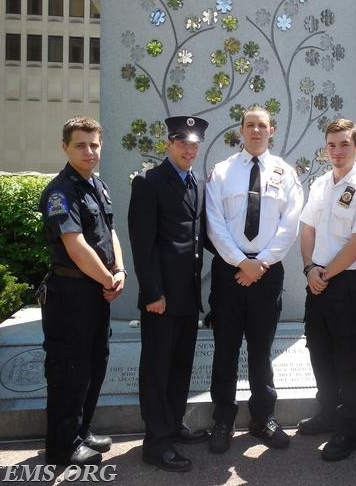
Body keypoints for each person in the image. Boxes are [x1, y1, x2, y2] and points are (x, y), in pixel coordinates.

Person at [205, 105, 303, 454]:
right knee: (226, 349)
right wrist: (239, 262)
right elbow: (213, 223)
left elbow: (290, 224)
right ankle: (222, 421)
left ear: (271, 131)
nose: (257, 131)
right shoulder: (221, 171)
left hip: (267, 272)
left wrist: (259, 263)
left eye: (263, 125)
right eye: (250, 125)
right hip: (228, 271)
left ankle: (263, 419)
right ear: (241, 130)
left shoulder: (286, 173)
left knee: (262, 351)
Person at [39, 116, 125, 466]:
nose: (89, 151)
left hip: (96, 293)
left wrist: (118, 270)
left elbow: (110, 233)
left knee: (93, 365)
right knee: (69, 369)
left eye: (94, 145)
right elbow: (75, 246)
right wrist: (108, 280)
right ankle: (62, 447)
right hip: (71, 295)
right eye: (80, 145)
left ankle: (81, 430)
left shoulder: (98, 186)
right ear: (65, 147)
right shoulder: (60, 191)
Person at [127, 115, 210, 473]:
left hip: (188, 296)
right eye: (182, 142)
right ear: (169, 144)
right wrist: (152, 292)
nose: (188, 149)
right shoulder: (149, 182)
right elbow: (142, 245)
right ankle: (156, 443)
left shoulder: (194, 182)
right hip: (161, 298)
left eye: (194, 144)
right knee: (157, 370)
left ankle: (173, 425)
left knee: (179, 367)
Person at [297, 118, 356, 462]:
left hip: (346, 282)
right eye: (331, 145)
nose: (337, 151)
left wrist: (324, 274)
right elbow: (307, 230)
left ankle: (349, 426)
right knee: (319, 350)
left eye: (344, 144)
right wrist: (309, 270)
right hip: (316, 280)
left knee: (347, 357)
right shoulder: (319, 184)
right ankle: (327, 412)